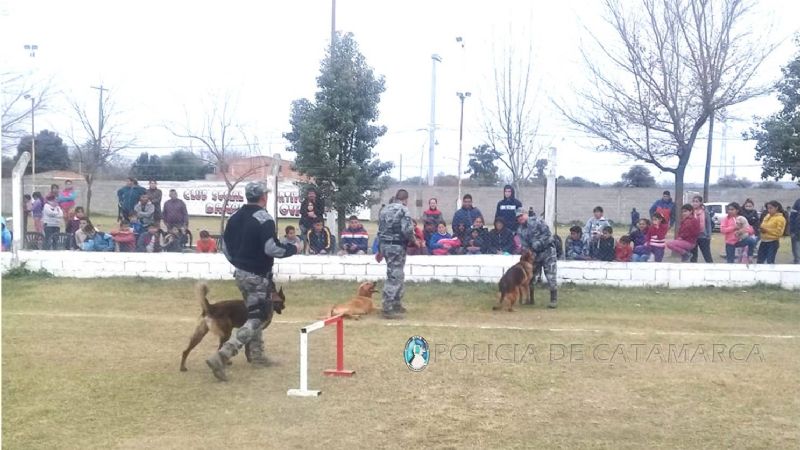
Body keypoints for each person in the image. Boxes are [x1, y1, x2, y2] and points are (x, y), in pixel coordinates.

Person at [206, 181, 298, 382]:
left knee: (253, 312)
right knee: (258, 317)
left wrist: (239, 264)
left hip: (241, 274)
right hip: (258, 275)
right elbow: (271, 249)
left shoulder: (235, 217)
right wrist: (293, 248)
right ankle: (223, 354)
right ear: (263, 197)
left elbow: (226, 248)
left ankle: (257, 356)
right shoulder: (264, 219)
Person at [377, 189, 414, 319]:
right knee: (395, 275)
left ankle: (397, 303)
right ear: (406, 199)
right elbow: (407, 229)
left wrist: (379, 250)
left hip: (385, 245)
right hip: (397, 246)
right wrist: (413, 241)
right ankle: (387, 307)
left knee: (396, 273)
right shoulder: (403, 210)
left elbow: (380, 230)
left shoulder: (384, 210)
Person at [516, 207, 559, 308]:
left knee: (551, 276)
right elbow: (524, 245)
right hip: (534, 255)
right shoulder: (520, 230)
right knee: (530, 277)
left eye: (521, 215)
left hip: (548, 252)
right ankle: (530, 299)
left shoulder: (538, 222)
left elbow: (549, 235)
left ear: (526, 214)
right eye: (517, 217)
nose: (519, 218)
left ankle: (553, 300)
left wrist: (539, 243)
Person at [689, 195, 714, 263]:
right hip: (693, 237)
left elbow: (708, 224)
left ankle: (711, 269)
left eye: (697, 201)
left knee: (707, 255)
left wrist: (709, 235)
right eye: (693, 201)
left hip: (703, 236)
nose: (694, 203)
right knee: (693, 256)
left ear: (700, 203)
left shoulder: (705, 212)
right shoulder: (690, 212)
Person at [790, 198, 800, 264]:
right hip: (797, 230)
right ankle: (797, 261)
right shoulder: (797, 202)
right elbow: (792, 217)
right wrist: (792, 231)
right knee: (796, 247)